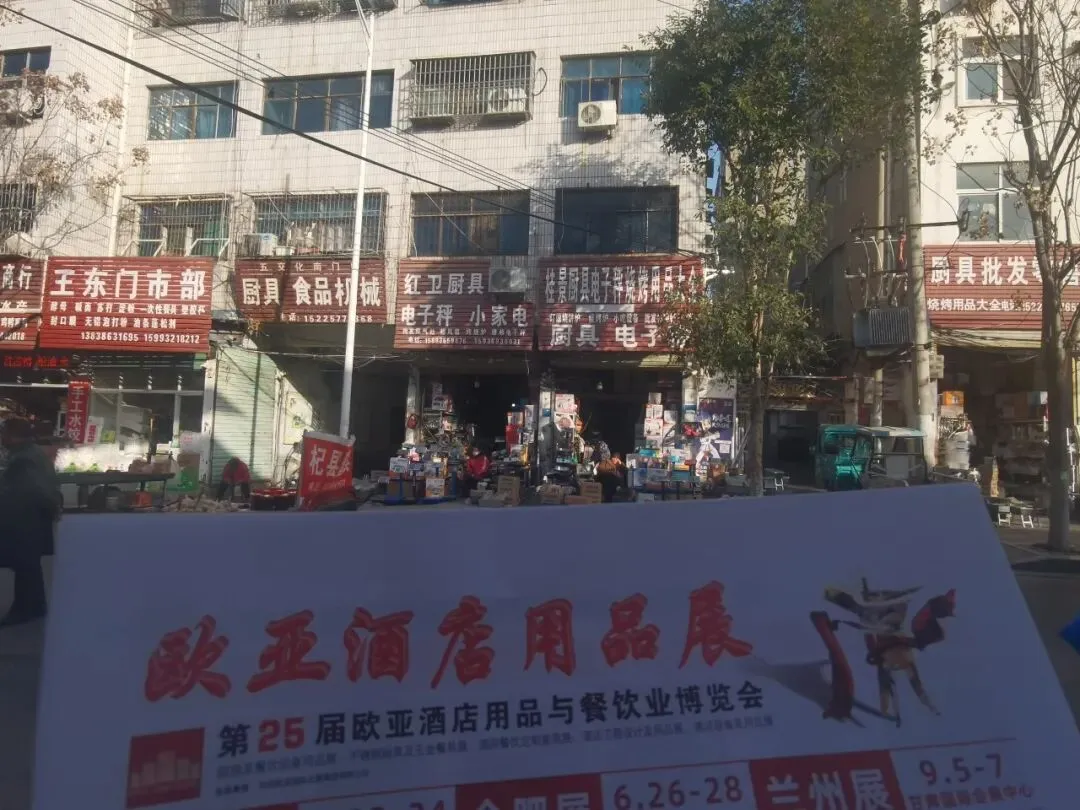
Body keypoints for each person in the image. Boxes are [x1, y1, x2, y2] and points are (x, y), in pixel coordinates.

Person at [0, 418, 60, 626]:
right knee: (29, 564)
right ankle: (36, 606)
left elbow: (21, 492)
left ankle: (23, 609)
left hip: (25, 519)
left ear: (13, 435)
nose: (2, 438)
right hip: (34, 517)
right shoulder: (31, 453)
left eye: (4, 433)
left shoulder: (23, 459)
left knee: (24, 563)